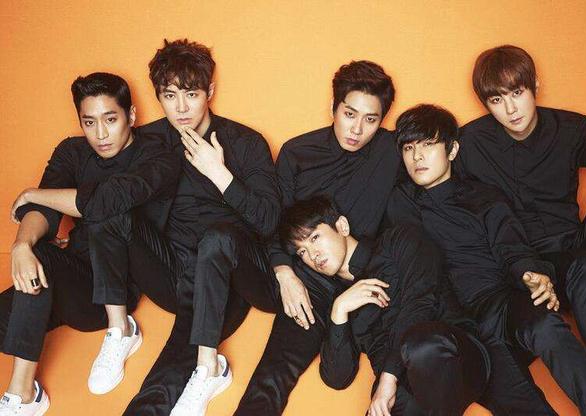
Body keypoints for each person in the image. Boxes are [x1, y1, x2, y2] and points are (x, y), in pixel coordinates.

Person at [387, 103, 586, 415]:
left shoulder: (483, 196)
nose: (417, 156)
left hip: (503, 301)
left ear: (452, 150)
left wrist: (530, 274)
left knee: (545, 325)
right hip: (460, 328)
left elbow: (512, 246)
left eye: (428, 145)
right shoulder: (400, 203)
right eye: (409, 148)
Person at [114, 39, 281, 416]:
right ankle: (121, 333)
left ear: (210, 92)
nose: (181, 107)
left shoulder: (245, 143)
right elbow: (101, 188)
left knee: (217, 239)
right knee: (114, 209)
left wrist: (219, 174)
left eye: (191, 94)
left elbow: (269, 220)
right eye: (169, 96)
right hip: (173, 274)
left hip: (227, 279)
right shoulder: (149, 142)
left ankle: (201, 374)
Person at [0, 72, 180, 415]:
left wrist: (32, 193)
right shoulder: (72, 151)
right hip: (71, 275)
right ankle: (36, 306)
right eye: (89, 122)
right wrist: (22, 245)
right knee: (35, 262)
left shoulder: (157, 156)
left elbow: (104, 201)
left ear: (131, 115)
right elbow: (43, 213)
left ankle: (23, 395)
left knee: (103, 214)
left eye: (110, 120)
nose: (100, 134)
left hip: (116, 289)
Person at [280, 197, 557, 416]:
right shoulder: (341, 302)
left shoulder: (399, 240)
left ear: (341, 226)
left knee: (421, 346)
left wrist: (387, 379)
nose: (312, 255)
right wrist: (339, 310)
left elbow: (420, 302)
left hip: (458, 356)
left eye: (314, 238)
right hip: (406, 391)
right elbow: (337, 378)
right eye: (302, 252)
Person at [456, 44, 586, 372]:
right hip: (526, 271)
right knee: (583, 265)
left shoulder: (570, 128)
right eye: (497, 100)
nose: (511, 109)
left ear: (535, 85)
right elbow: (434, 186)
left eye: (517, 93)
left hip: (577, 249)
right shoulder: (470, 143)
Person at [233, 60, 401, 416]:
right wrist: (284, 272)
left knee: (367, 373)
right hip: (308, 276)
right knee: (276, 371)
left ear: (382, 120)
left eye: (370, 119)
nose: (357, 129)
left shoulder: (391, 150)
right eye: (349, 114)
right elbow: (275, 221)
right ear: (333, 107)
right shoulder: (297, 153)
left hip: (364, 278)